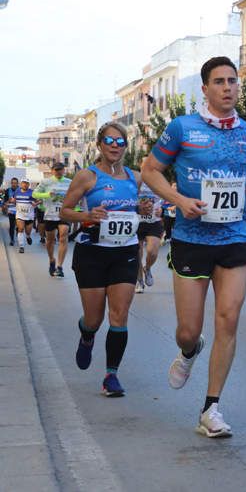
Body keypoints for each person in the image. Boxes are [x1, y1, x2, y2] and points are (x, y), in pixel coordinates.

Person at [141, 56, 246, 438]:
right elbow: (150, 170)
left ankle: (211, 408)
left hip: (233, 238)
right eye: (219, 81)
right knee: (189, 330)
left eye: (233, 80)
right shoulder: (182, 128)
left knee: (228, 319)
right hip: (190, 238)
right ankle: (188, 350)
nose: (228, 87)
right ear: (205, 89)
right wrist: (177, 200)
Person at [60, 122, 151, 397]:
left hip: (125, 251)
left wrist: (142, 208)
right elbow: (65, 211)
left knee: (119, 315)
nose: (115, 146)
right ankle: (87, 334)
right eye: (110, 141)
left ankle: (111, 375)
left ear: (126, 146)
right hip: (92, 252)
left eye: (121, 142)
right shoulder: (87, 177)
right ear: (100, 144)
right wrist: (87, 216)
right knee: (94, 318)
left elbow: (134, 210)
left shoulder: (135, 178)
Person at [33, 162, 73, 277]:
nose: (58, 171)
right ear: (52, 171)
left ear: (64, 170)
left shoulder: (69, 183)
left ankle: (60, 267)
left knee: (63, 235)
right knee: (50, 240)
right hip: (50, 215)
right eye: (56, 170)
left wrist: (75, 208)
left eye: (60, 169)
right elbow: (35, 194)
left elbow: (73, 196)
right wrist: (47, 194)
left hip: (63, 214)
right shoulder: (46, 182)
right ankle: (52, 259)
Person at [134, 158, 164, 293]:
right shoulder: (135, 180)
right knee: (137, 254)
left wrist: (161, 209)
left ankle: (148, 268)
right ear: (141, 165)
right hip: (137, 222)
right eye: (144, 162)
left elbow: (165, 198)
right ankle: (139, 280)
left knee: (152, 251)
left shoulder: (158, 180)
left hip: (154, 221)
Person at [13, 178, 37, 253]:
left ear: (29, 185)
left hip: (29, 216)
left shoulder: (32, 192)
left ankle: (28, 237)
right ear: (21, 184)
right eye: (23, 183)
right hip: (20, 215)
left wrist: (35, 204)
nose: (25, 184)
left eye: (26, 183)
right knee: (20, 229)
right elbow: (14, 200)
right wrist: (13, 201)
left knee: (28, 232)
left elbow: (40, 200)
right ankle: (21, 246)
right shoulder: (17, 191)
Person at [4, 177, 19, 245]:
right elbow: (5, 202)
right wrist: (8, 201)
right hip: (11, 211)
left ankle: (18, 236)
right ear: (11, 183)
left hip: (19, 212)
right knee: (12, 226)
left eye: (15, 183)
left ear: (17, 184)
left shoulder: (20, 190)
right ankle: (12, 240)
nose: (14, 184)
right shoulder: (7, 190)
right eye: (12, 183)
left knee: (19, 226)